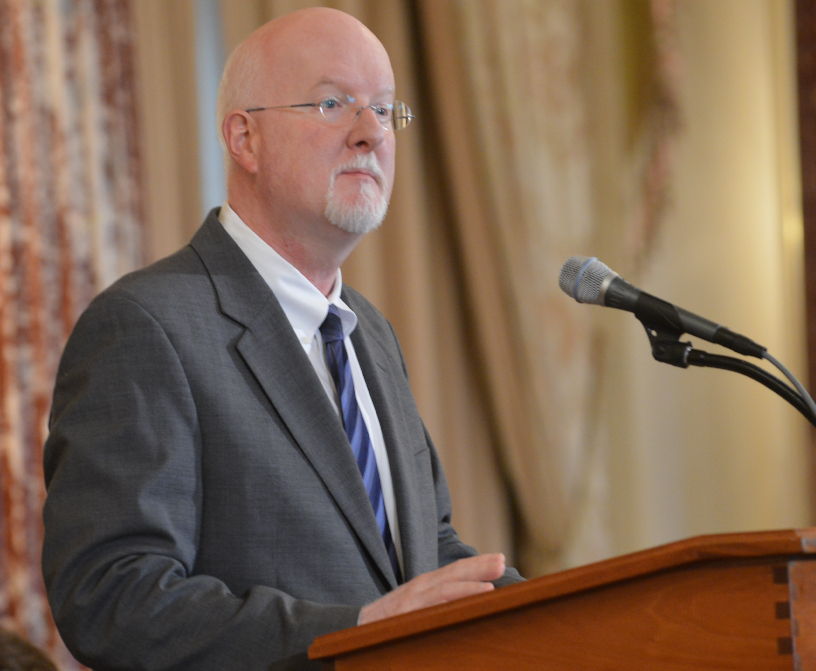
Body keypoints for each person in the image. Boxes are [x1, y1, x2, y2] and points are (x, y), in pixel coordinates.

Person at [41, 8, 521, 671]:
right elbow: (111, 595)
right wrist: (352, 629)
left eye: (384, 111)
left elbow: (424, 553)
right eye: (333, 103)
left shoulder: (369, 332)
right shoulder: (147, 327)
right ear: (245, 138)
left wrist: (578, 614)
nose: (370, 134)